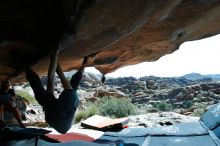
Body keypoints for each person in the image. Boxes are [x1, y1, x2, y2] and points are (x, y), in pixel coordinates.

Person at [25, 48, 88, 134]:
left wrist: (55, 56)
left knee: (62, 79)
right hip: (54, 116)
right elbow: (51, 78)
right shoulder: (51, 108)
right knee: (51, 80)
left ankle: (55, 54)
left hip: (62, 111)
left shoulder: (69, 101)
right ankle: (53, 55)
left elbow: (60, 78)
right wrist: (54, 57)